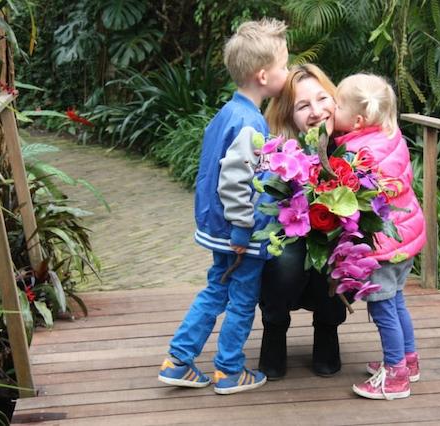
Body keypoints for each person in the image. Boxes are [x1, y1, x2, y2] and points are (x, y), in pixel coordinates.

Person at [157, 18, 289, 395]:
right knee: (242, 299)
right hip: (238, 233)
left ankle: (178, 360)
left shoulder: (227, 113)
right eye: (284, 66)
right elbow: (235, 183)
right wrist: (244, 229)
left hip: (218, 228)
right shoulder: (250, 123)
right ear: (264, 76)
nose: (288, 72)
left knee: (216, 290)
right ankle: (229, 370)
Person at [333, 73, 426, 400]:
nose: (332, 108)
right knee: (398, 301)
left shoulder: (358, 154)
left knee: (384, 308)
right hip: (406, 239)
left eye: (338, 105)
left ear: (357, 120)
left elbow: (347, 198)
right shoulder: (391, 135)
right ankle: (409, 360)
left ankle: (396, 374)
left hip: (382, 246)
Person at [258, 64, 346, 380]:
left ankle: (327, 329)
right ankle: (274, 328)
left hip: (330, 239)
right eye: (303, 105)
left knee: (338, 252)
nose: (317, 111)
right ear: (288, 115)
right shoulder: (277, 149)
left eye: (323, 99)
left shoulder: (355, 142)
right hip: (289, 236)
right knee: (283, 261)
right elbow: (263, 209)